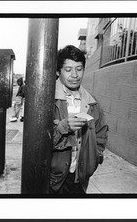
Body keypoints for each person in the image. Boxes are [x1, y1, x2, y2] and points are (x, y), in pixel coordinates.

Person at [50, 45, 108, 195]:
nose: (75, 75)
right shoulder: (48, 100)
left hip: (80, 178)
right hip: (54, 180)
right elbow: (36, 142)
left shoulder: (91, 101)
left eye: (79, 68)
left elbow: (101, 133)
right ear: (58, 71)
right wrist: (62, 128)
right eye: (68, 70)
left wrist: (96, 157)